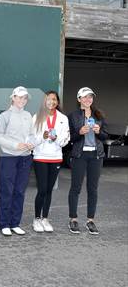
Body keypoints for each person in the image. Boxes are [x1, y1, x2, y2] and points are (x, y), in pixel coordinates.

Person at [67, 87, 108, 235]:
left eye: (90, 97)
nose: (88, 99)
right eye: (84, 97)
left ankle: (90, 221)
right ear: (79, 99)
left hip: (96, 156)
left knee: (93, 189)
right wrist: (79, 132)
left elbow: (105, 136)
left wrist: (99, 132)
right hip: (79, 155)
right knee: (75, 188)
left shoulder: (99, 115)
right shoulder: (73, 116)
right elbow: (69, 138)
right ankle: (73, 219)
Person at [0, 86, 34, 236]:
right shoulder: (4, 116)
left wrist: (31, 143)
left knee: (19, 191)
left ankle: (15, 223)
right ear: (13, 98)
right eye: (19, 97)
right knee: (7, 191)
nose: (22, 100)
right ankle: (4, 223)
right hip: (9, 157)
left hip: (25, 157)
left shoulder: (28, 115)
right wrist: (15, 145)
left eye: (24, 98)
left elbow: (31, 134)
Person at [32, 91, 70, 233]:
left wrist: (56, 139)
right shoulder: (36, 117)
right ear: (44, 101)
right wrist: (42, 137)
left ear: (57, 102)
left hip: (55, 157)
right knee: (42, 189)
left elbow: (66, 140)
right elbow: (31, 139)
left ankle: (45, 218)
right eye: (48, 99)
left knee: (49, 190)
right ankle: (36, 218)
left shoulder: (63, 118)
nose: (51, 102)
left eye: (54, 99)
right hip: (40, 157)